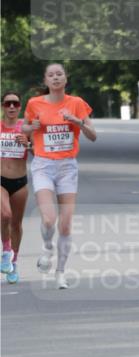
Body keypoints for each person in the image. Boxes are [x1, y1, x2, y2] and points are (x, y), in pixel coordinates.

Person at [24, 63, 96, 290]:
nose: (55, 78)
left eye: (59, 74)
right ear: (45, 81)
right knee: (48, 218)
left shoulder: (76, 103)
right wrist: (31, 127)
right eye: (51, 75)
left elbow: (93, 136)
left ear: (66, 79)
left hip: (67, 166)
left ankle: (61, 273)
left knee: (65, 225)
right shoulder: (34, 104)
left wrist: (76, 121)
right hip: (43, 164)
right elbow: (24, 130)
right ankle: (47, 247)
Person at [1, 90, 30, 284]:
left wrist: (27, 144)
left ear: (20, 107)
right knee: (5, 216)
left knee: (17, 225)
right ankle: (5, 251)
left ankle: (15, 262)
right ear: (3, 106)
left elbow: (40, 151)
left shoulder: (26, 128)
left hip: (20, 182)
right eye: (8, 103)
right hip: (1, 179)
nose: (12, 106)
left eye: (15, 103)